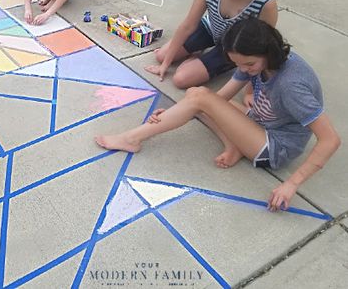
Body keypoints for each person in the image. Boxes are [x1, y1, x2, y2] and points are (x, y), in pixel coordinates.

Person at [96, 19, 340, 212]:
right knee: (197, 97)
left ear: (268, 51)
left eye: (248, 65)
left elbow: (330, 140)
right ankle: (234, 146)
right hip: (258, 122)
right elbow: (218, 99)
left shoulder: (291, 85)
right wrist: (178, 112)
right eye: (239, 65)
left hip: (275, 146)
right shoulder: (258, 59)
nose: (244, 70)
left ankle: (133, 138)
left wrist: (291, 184)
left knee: (199, 97)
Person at [145, 0, 278, 96]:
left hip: (234, 46)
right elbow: (188, 24)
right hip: (210, 27)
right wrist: (165, 65)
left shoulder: (265, 2)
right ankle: (197, 52)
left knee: (181, 78)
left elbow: (264, 50)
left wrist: (250, 91)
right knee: (161, 56)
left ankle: (196, 57)